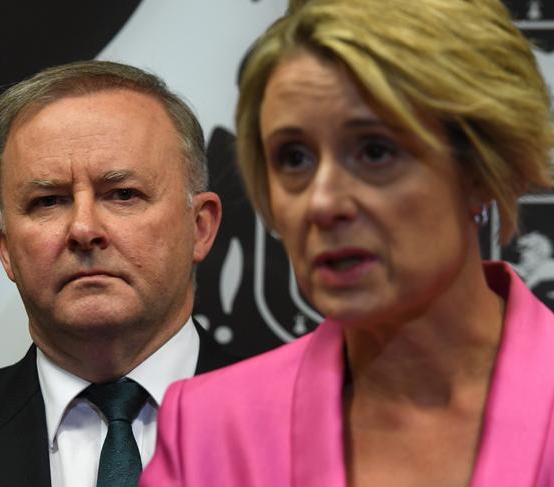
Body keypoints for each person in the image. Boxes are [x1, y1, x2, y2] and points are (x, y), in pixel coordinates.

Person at [140, 0, 554, 485]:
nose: (322, 203)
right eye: (293, 158)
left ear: (483, 170)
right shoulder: (209, 430)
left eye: (375, 150)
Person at [0, 60, 233, 487]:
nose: (83, 230)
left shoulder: (310, 425)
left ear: (200, 226)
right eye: (48, 201)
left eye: (122, 194)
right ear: (4, 248)